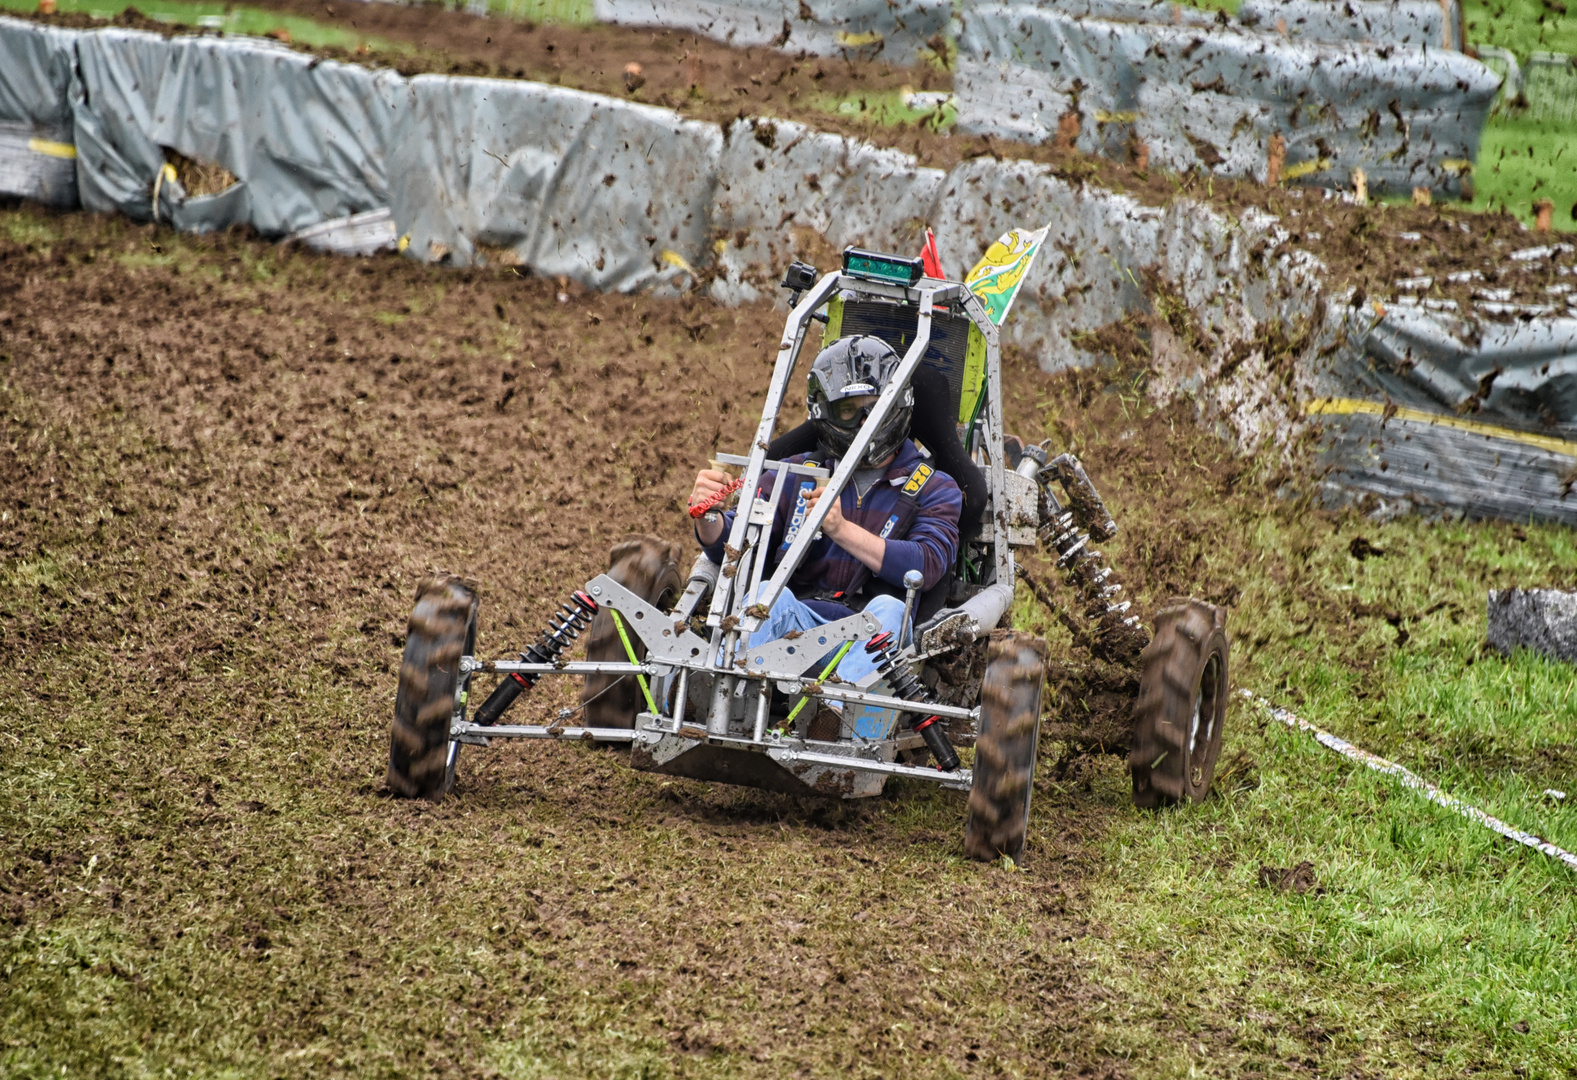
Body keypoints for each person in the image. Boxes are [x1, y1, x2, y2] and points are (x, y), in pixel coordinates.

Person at [687, 335, 962, 686]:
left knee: (890, 610)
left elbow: (926, 564)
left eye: (875, 407)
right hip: (798, 622)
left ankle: (832, 715)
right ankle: (719, 694)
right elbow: (736, 544)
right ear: (826, 413)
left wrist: (840, 528)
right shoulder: (796, 472)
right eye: (849, 411)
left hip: (871, 632)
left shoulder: (936, 487)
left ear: (896, 406)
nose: (865, 423)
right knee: (765, 595)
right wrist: (709, 516)